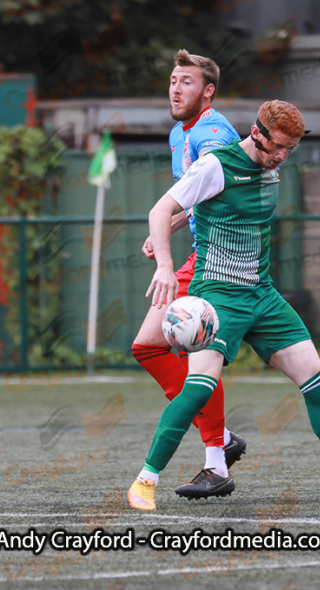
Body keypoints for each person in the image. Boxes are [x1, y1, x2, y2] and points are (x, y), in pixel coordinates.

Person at [127, 100, 320, 510]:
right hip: (218, 297)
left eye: (292, 149)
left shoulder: (272, 164)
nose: (283, 157)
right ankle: (144, 483)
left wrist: (180, 221)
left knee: (319, 382)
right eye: (279, 147)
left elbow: (196, 206)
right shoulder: (216, 164)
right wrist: (165, 264)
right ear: (257, 133)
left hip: (263, 295)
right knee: (198, 390)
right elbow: (161, 207)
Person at [131, 49, 246, 499]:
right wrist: (173, 223)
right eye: (173, 81)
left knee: (194, 356)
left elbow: (223, 180)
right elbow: (199, 197)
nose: (176, 89)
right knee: (148, 347)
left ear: (208, 90)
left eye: (187, 82)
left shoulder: (213, 133)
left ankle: (216, 461)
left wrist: (165, 251)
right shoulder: (181, 132)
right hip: (200, 253)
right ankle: (220, 439)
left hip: (220, 260)